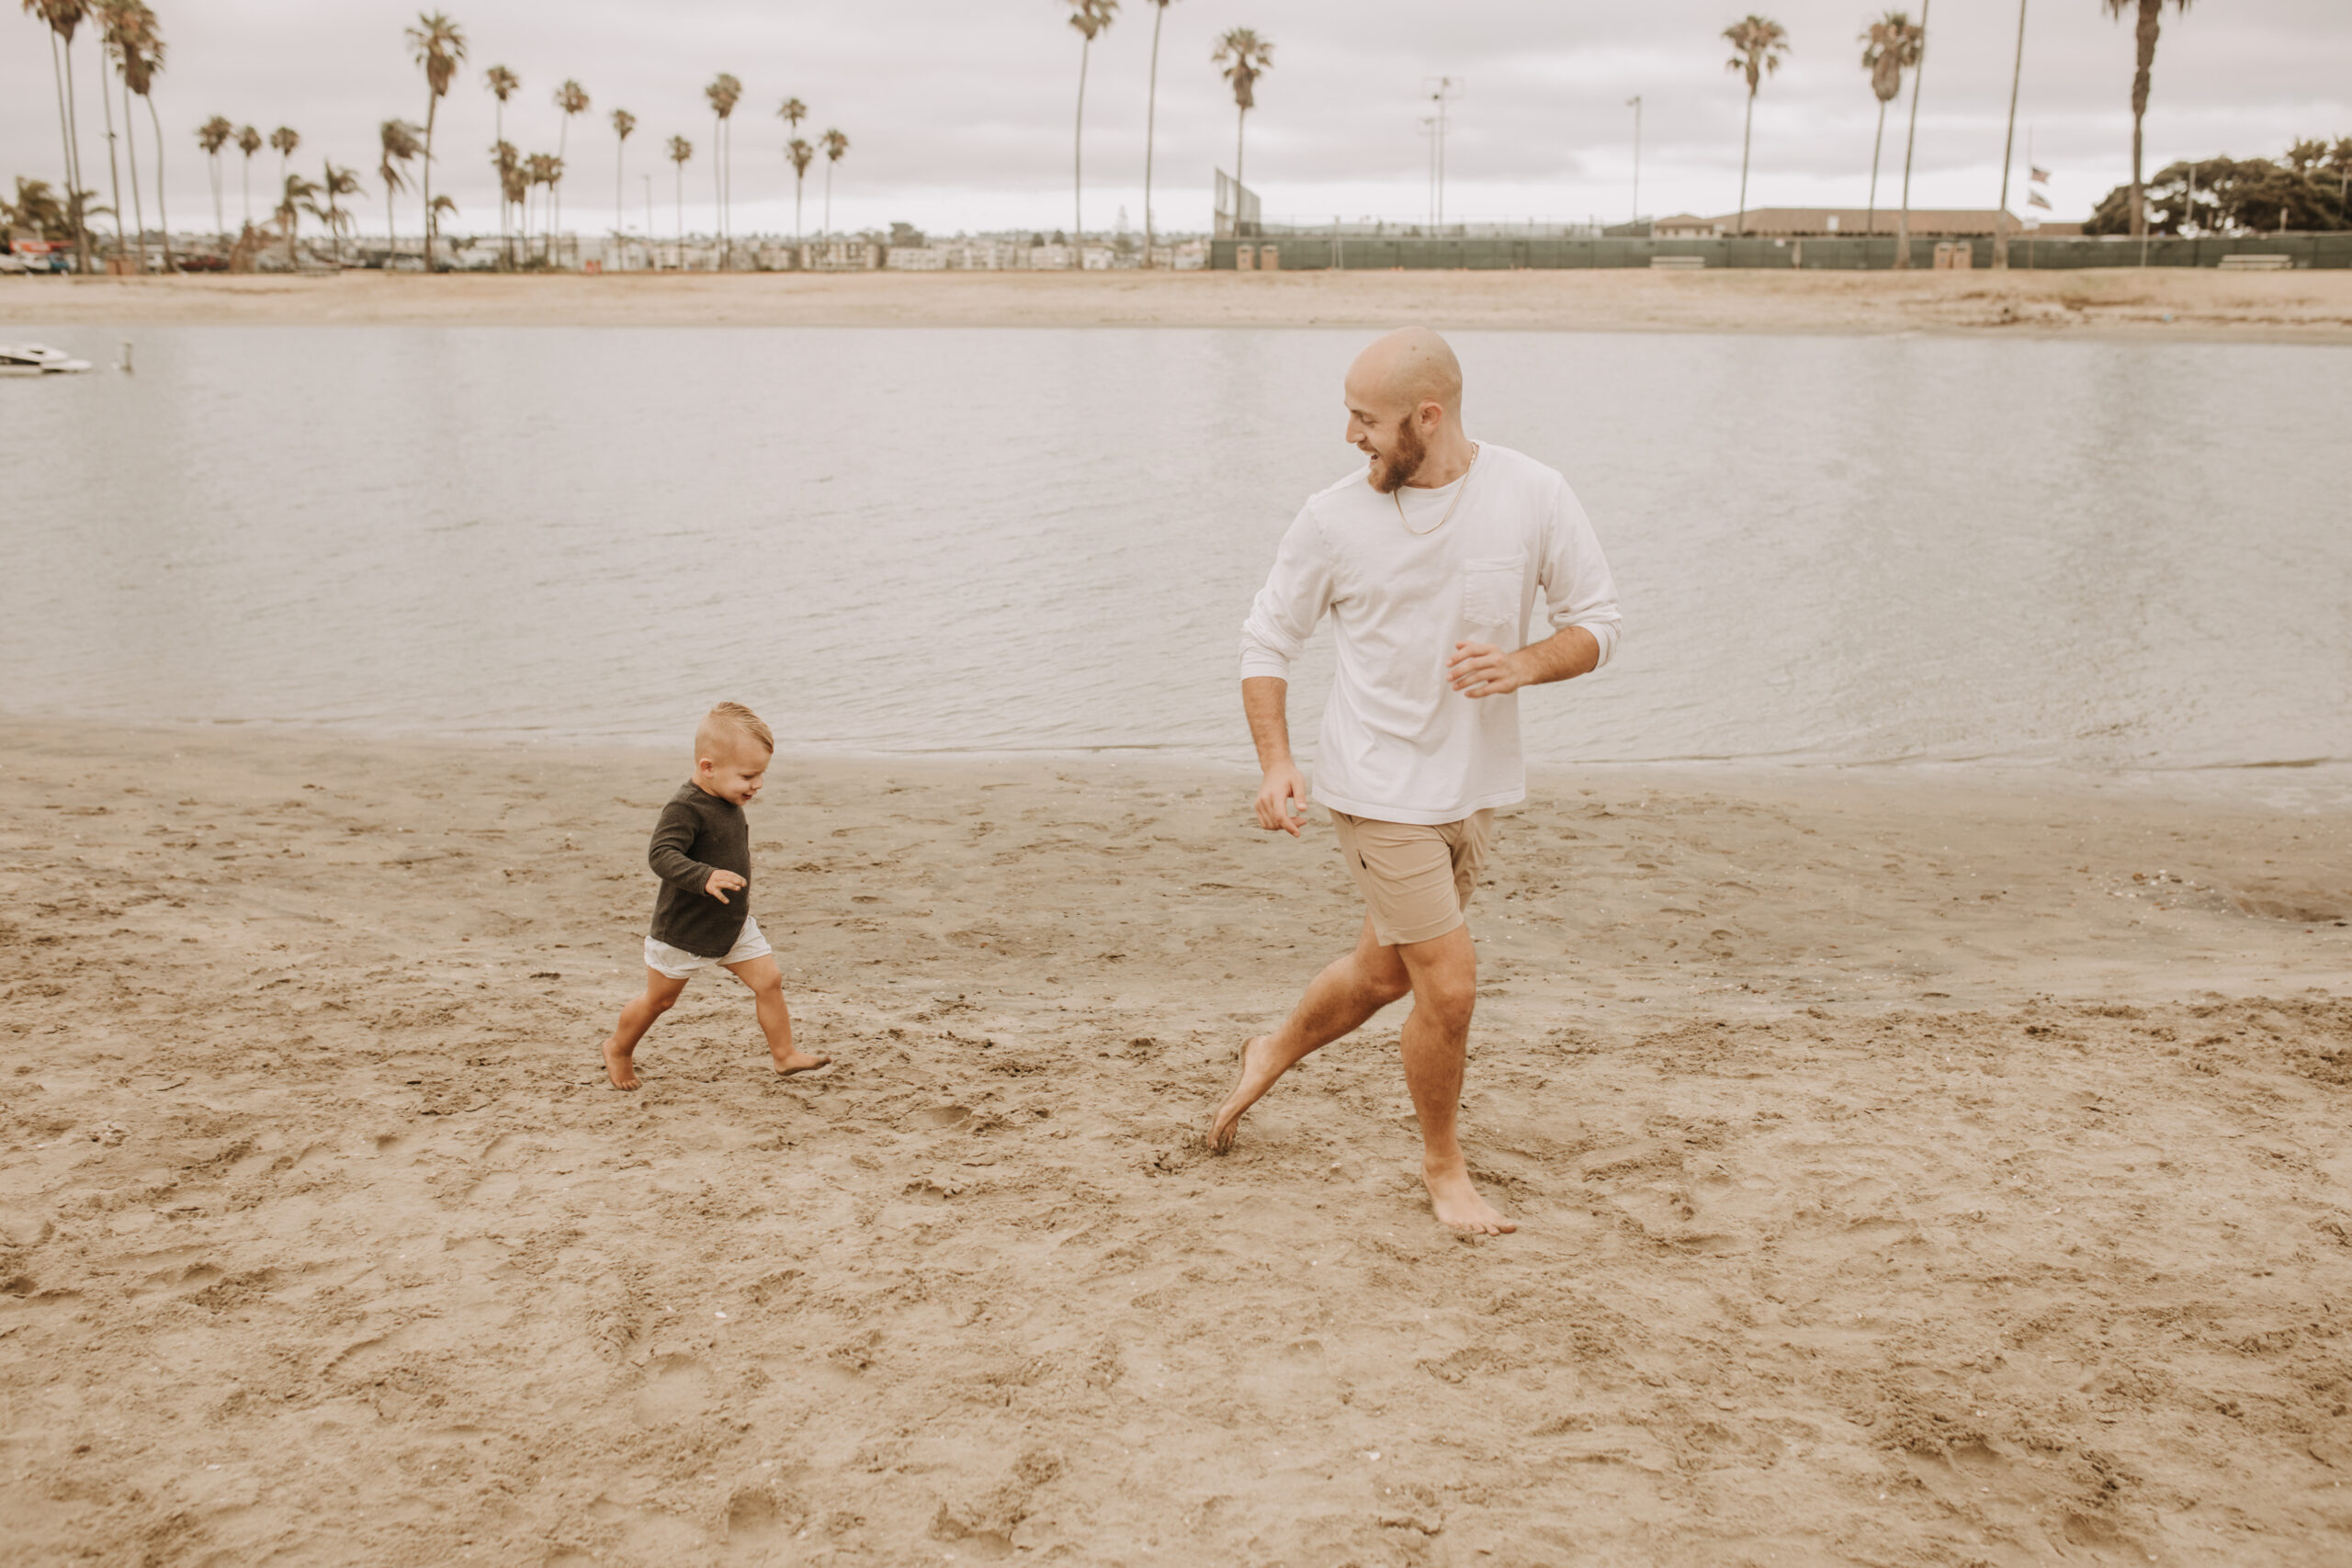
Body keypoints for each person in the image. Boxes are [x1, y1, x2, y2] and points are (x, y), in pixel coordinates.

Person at [1208, 327, 1623, 1234]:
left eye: (1367, 419)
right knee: (1450, 987)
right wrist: (1277, 763)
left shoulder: (1532, 494)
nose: (1352, 437)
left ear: (1427, 418)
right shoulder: (1332, 518)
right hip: (1374, 787)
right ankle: (1444, 1171)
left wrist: (1524, 664)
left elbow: (1596, 622)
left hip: (1470, 791)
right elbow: (1266, 639)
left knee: (1380, 976)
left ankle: (1270, 1045)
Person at [601, 702, 831, 1090]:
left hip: (731, 924)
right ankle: (619, 1048)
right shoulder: (685, 807)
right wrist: (703, 875)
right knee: (659, 1001)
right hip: (685, 929)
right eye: (748, 776)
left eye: (761, 775)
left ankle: (784, 1054)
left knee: (769, 980)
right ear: (708, 768)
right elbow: (661, 855)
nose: (757, 785)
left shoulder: (728, 797)